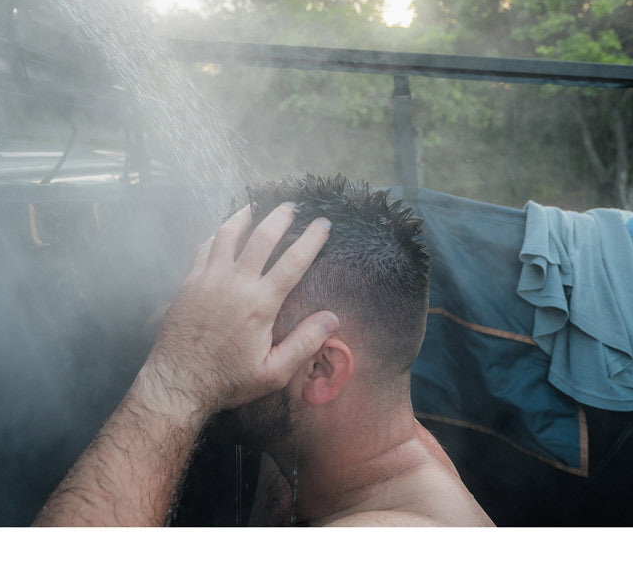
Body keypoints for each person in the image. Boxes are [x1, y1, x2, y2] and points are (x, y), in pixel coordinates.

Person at [33, 174, 493, 527]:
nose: (219, 334)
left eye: (246, 322)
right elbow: (188, 329)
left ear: (320, 369)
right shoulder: (331, 449)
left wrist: (174, 384)